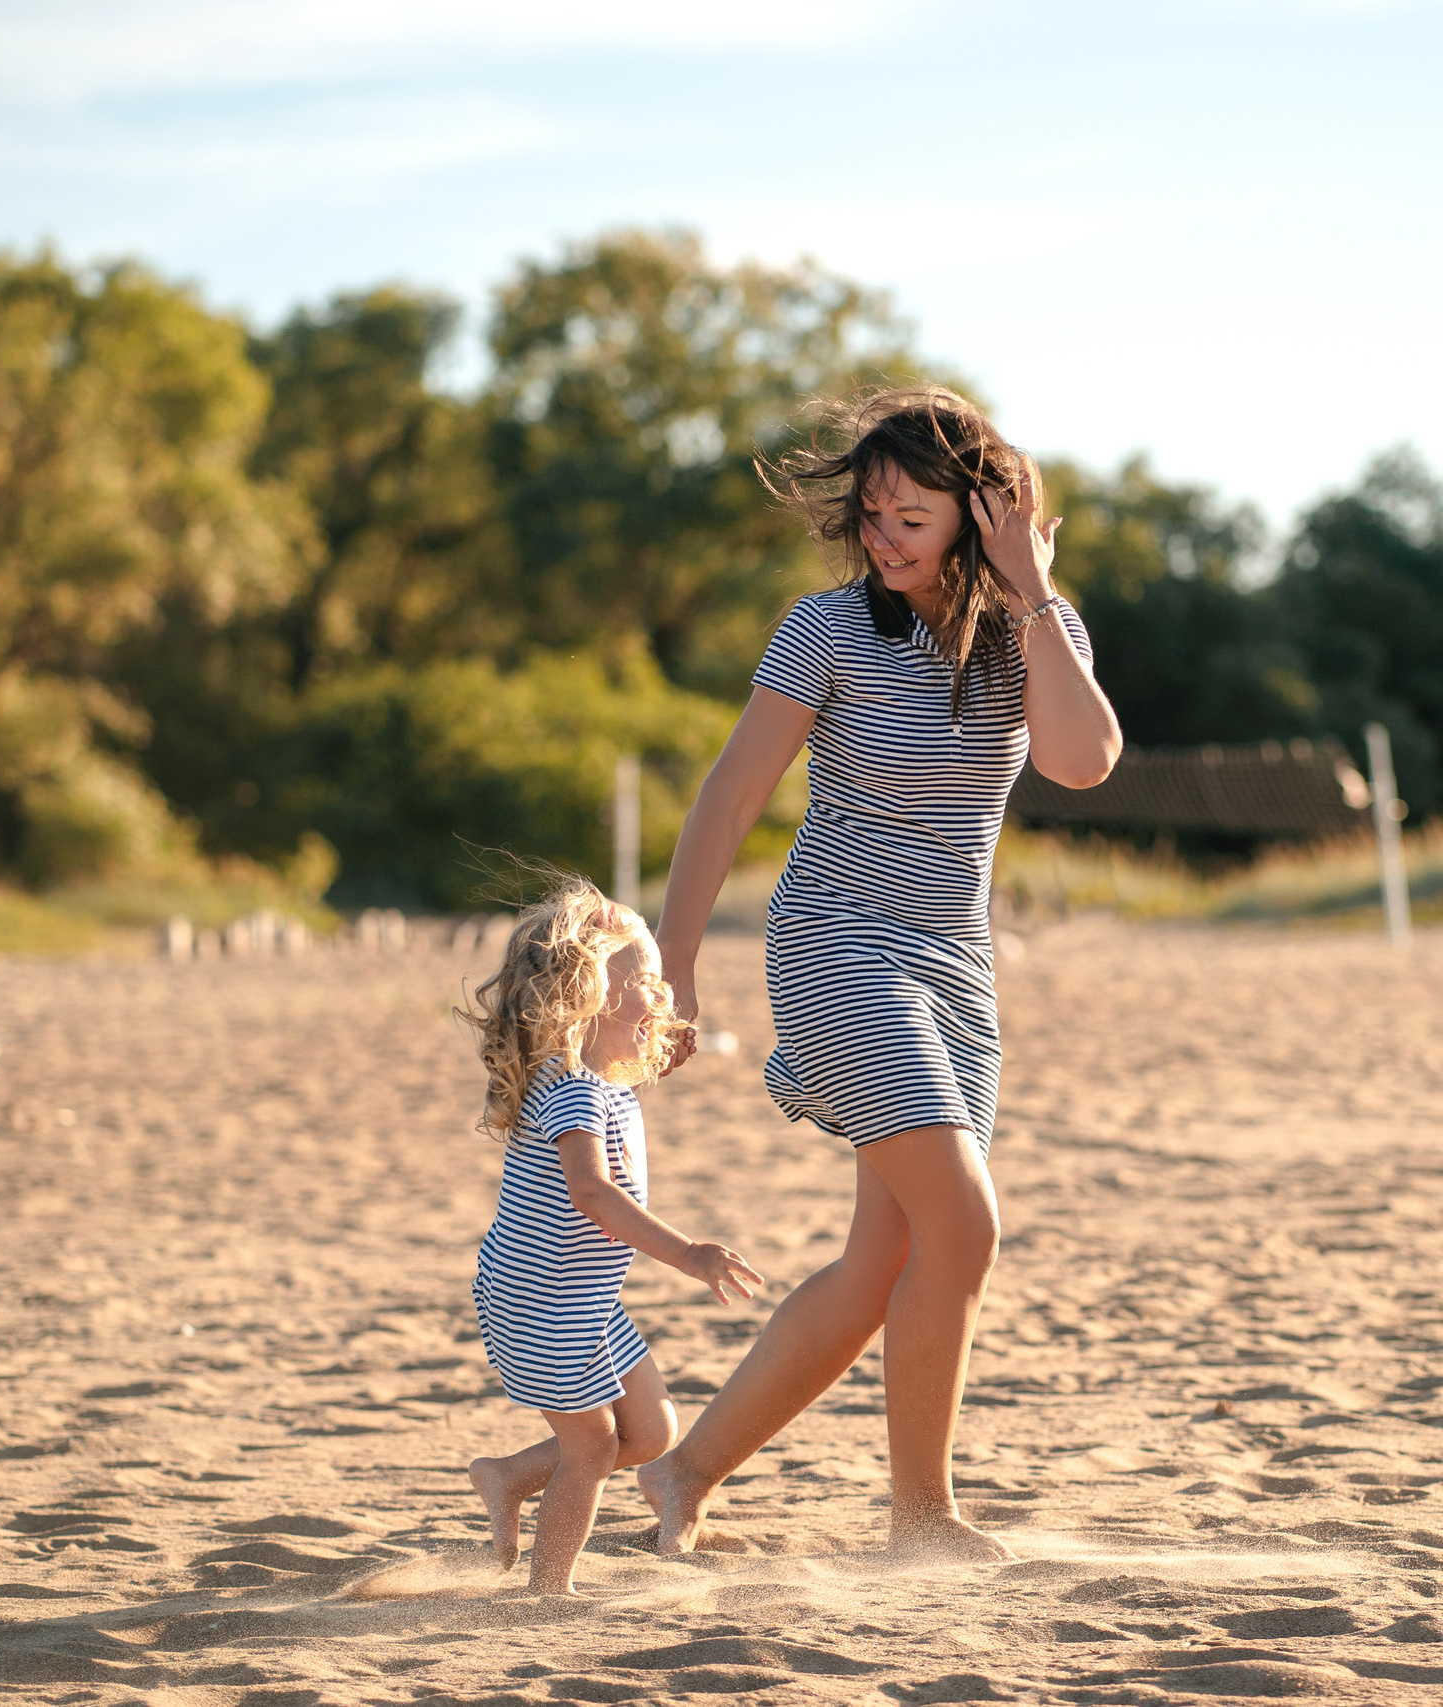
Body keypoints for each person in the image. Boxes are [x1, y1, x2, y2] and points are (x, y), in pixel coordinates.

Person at [642, 386, 1122, 1562]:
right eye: (870, 514)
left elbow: (1082, 760)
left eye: (910, 517)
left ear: (983, 514)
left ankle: (680, 1475)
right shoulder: (824, 630)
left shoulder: (1035, 632)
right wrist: (676, 961)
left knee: (886, 1259)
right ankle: (922, 1517)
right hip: (836, 944)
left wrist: (1033, 591)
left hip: (955, 965)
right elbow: (733, 794)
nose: (881, 536)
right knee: (962, 1222)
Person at [456, 882, 765, 1596]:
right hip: (540, 1300)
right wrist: (688, 1252)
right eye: (647, 984)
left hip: (582, 1299)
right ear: (587, 998)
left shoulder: (599, 1080)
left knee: (651, 1431)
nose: (661, 999)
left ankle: (505, 1477)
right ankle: (548, 1590)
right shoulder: (570, 1090)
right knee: (593, 1447)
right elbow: (592, 1193)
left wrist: (659, 1044)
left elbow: (626, 1072)